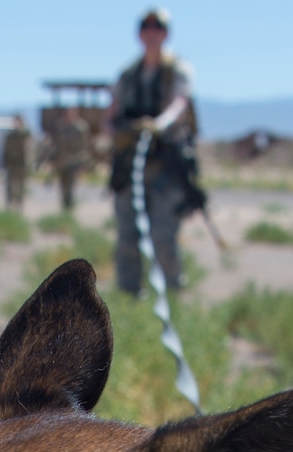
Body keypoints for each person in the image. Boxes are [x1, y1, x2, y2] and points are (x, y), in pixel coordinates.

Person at [109, 8, 198, 294]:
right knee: (127, 238)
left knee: (162, 237)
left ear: (165, 33)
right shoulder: (127, 75)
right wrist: (119, 131)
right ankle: (127, 300)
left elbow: (179, 103)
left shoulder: (178, 70)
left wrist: (158, 125)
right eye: (146, 28)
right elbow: (110, 115)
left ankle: (174, 297)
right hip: (130, 165)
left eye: (157, 28)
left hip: (166, 166)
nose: (151, 34)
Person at [50, 108, 91, 212]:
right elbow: (55, 145)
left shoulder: (81, 128)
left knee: (71, 188)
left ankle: (70, 209)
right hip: (62, 162)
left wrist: (83, 163)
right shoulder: (60, 127)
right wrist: (53, 159)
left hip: (74, 162)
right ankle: (64, 209)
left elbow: (85, 146)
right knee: (63, 187)